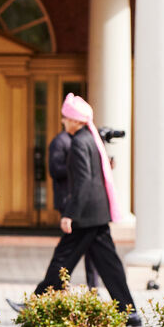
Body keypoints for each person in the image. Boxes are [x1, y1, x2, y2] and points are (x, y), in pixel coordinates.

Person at [7, 94, 141, 327]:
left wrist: (70, 213)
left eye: (66, 118)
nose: (63, 122)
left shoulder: (79, 141)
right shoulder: (90, 138)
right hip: (95, 214)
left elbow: (83, 183)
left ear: (76, 120)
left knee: (62, 259)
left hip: (85, 216)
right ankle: (128, 311)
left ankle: (37, 304)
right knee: (108, 264)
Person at [49, 121, 100, 288]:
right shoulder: (61, 141)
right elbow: (55, 169)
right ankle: (52, 289)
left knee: (88, 251)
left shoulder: (85, 140)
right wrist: (77, 167)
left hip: (82, 204)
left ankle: (91, 287)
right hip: (69, 201)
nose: (63, 121)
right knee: (68, 252)